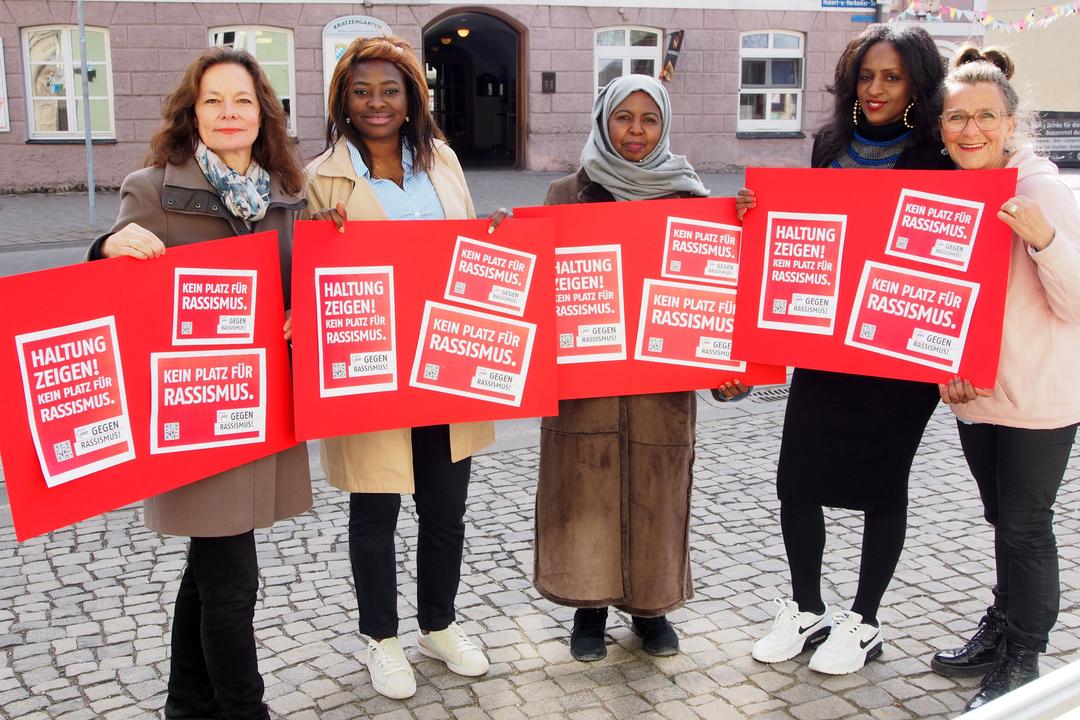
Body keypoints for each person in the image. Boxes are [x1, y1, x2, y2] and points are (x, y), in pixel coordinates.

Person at [87, 47, 312, 720]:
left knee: (211, 567)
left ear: (263, 112)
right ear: (193, 112)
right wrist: (106, 249)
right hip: (194, 415)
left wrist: (305, 308)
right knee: (233, 578)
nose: (228, 112)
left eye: (242, 99)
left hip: (264, 408)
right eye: (213, 100)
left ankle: (186, 703)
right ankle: (245, 710)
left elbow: (311, 279)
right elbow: (111, 291)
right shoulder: (152, 188)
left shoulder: (289, 193)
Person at [739, 24, 954, 675]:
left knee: (883, 485)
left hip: (898, 348)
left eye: (891, 77)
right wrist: (760, 214)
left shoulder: (938, 157)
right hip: (826, 342)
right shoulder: (829, 144)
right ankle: (807, 608)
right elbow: (811, 228)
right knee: (797, 480)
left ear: (917, 84)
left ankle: (864, 621)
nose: (876, 89)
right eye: (866, 76)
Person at [304, 35, 494, 700]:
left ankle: (438, 625)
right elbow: (310, 277)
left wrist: (497, 241)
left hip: (444, 361)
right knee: (375, 508)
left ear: (413, 98)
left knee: (445, 509)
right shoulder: (321, 177)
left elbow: (468, 246)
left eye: (390, 90)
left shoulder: (442, 161)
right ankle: (379, 639)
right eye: (361, 91)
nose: (376, 103)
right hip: (373, 366)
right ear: (342, 101)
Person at [533, 73, 732, 662]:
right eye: (624, 117)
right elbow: (538, 287)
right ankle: (588, 610)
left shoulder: (691, 199)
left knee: (657, 495)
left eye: (649, 119)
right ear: (603, 121)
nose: (636, 131)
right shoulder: (566, 194)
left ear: (665, 125)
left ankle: (651, 610)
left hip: (659, 388)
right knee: (584, 493)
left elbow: (718, 289)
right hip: (585, 385)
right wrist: (507, 239)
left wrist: (743, 221)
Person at [928, 47, 1080, 710]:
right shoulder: (953, 193)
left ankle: (1024, 654)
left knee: (1025, 526)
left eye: (985, 116)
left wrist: (1045, 240)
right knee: (1002, 521)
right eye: (957, 117)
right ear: (941, 126)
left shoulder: (1041, 190)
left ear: (1011, 122)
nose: (971, 130)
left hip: (1038, 398)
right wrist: (944, 366)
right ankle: (1002, 624)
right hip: (979, 397)